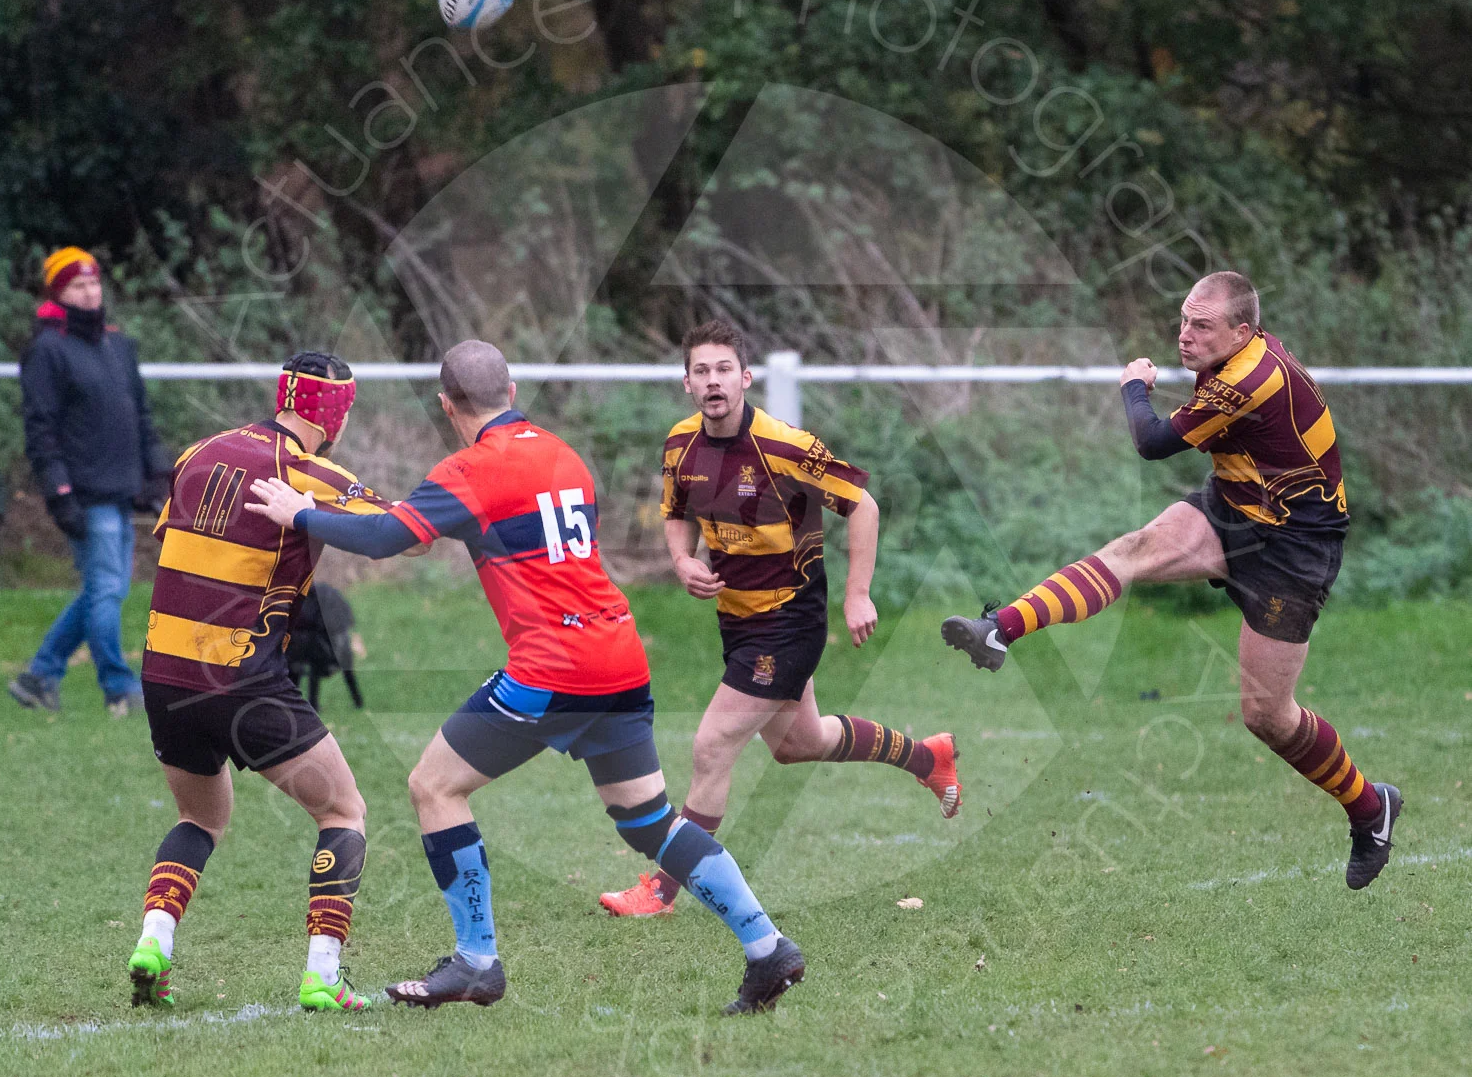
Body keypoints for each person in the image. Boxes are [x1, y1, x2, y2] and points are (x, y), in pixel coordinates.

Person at [245, 339, 805, 1015]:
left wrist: (300, 513)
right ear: (511, 393)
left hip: (552, 667)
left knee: (433, 786)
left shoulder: (469, 469)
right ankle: (766, 946)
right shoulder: (564, 454)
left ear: (447, 405)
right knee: (649, 822)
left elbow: (388, 539)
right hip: (619, 656)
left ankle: (477, 961)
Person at [941, 271, 1401, 890]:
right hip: (1234, 507)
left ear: (1242, 331)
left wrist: (1134, 385)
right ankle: (999, 629)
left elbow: (1152, 441)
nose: (1185, 335)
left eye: (1201, 326)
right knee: (1130, 551)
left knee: (1267, 716)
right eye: (1184, 320)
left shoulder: (1246, 380)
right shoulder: (1234, 355)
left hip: (1295, 547)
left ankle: (1371, 809)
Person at [600, 321, 962, 920]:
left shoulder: (785, 446)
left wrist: (858, 594)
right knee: (800, 743)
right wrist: (682, 560)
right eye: (700, 371)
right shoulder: (680, 444)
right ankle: (928, 757)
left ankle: (662, 890)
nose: (713, 382)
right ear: (686, 383)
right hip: (738, 620)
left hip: (790, 621)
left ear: (745, 378)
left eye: (724, 370)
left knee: (713, 744)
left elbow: (863, 506)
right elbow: (677, 510)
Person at [127, 351, 401, 1014]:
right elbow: (404, 535)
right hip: (241, 679)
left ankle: (154, 942)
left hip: (164, 673)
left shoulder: (197, 453)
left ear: (282, 397)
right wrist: (309, 518)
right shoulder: (309, 472)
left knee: (200, 817)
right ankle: (323, 975)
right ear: (335, 415)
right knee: (343, 811)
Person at [9, 248, 170, 717]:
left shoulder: (117, 345)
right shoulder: (47, 350)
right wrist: (59, 491)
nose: (90, 292)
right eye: (78, 285)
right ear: (58, 292)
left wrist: (157, 472)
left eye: (94, 283)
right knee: (106, 590)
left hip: (121, 490)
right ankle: (119, 688)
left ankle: (40, 676)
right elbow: (40, 430)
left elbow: (140, 414)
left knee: (105, 589)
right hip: (84, 493)